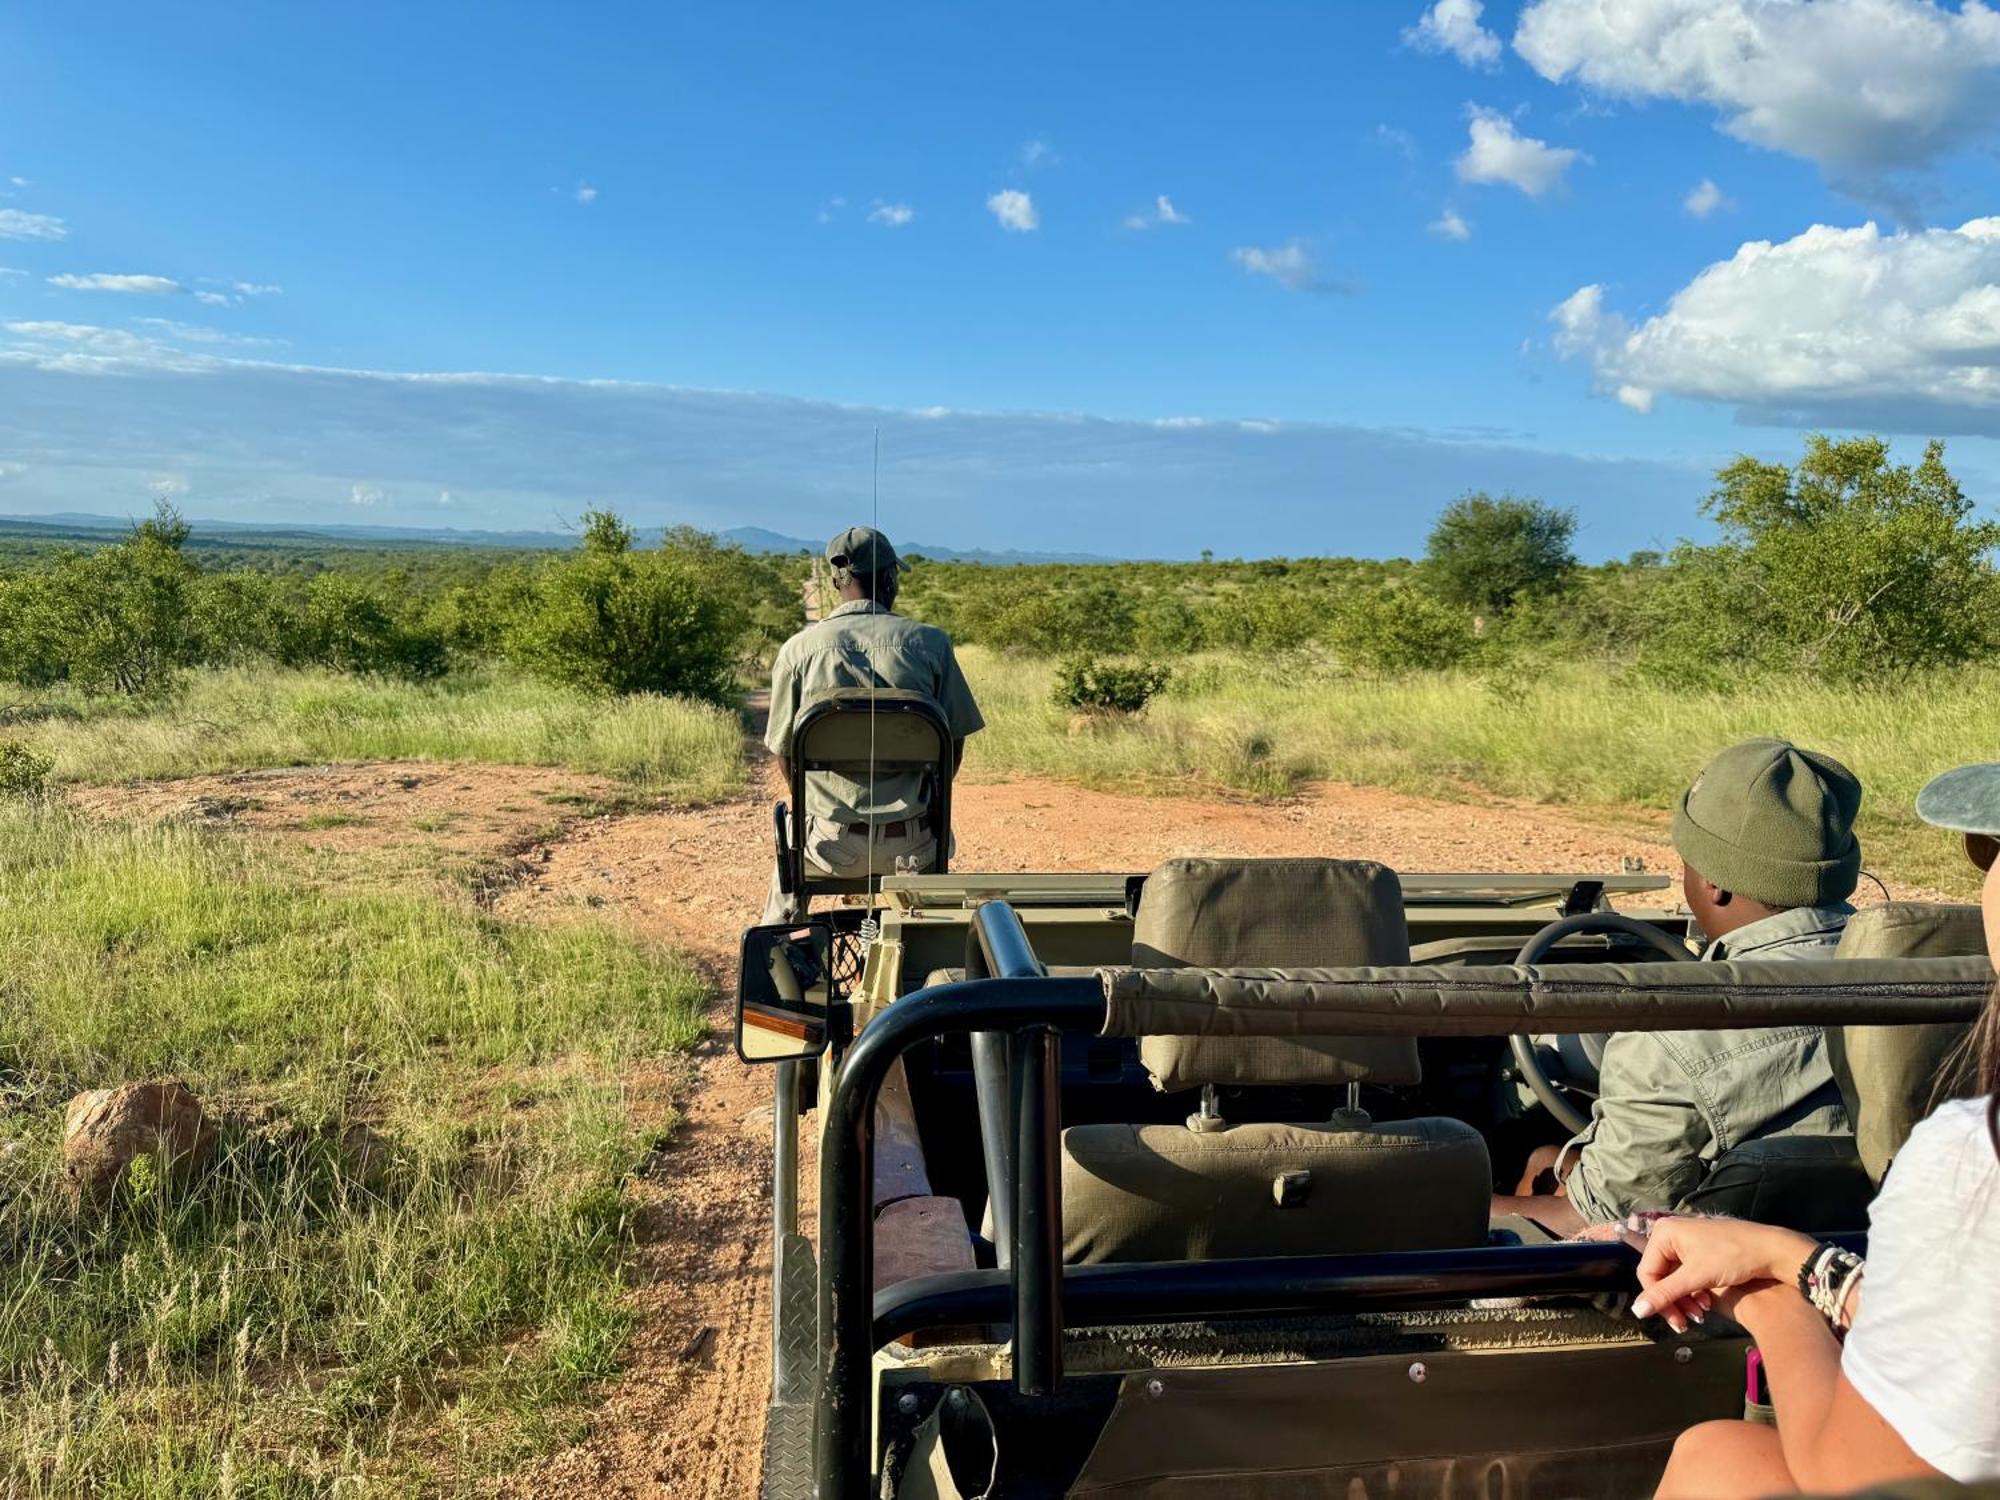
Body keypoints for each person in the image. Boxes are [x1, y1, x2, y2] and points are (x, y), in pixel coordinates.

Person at [1632, 761, 2000, 1496]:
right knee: (1721, 1455)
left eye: (1990, 849)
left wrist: (1776, 1305)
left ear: (1712, 882)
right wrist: (1796, 1259)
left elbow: (1861, 1478)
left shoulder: (1973, 1156)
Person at [1494, 738, 1862, 1235]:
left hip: (1701, 1290)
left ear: (1714, 881)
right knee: (1549, 1158)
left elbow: (1589, 1227)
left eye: (1687, 860)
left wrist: (1446, 1201)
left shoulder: (1672, 1035)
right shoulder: (1929, 974)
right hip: (1863, 1248)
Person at [761, 526, 983, 923]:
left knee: (782, 883)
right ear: (890, 578)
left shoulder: (798, 651)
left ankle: (778, 960)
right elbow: (954, 746)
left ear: (835, 581)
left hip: (828, 846)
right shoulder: (931, 644)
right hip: (914, 848)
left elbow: (784, 755)